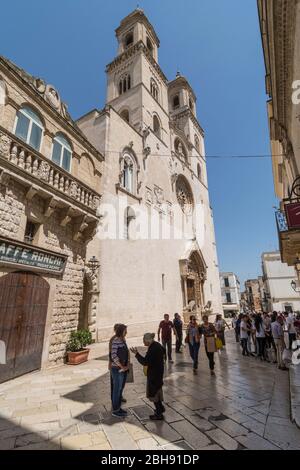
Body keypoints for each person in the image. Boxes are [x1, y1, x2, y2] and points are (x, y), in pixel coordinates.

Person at [131, 333, 165, 420]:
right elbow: (164, 352)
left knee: (154, 394)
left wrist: (136, 354)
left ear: (148, 340)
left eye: (144, 341)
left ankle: (159, 414)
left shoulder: (153, 349)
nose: (143, 343)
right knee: (157, 391)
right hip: (158, 373)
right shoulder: (157, 345)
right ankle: (160, 409)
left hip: (154, 374)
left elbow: (145, 362)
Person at [110, 324, 130, 417]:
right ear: (121, 331)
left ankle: (118, 408)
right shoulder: (116, 341)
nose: (126, 332)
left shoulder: (123, 340)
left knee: (120, 388)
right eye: (125, 330)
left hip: (123, 368)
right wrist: (121, 366)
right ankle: (115, 411)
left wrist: (127, 364)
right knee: (116, 390)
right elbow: (113, 355)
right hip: (117, 369)